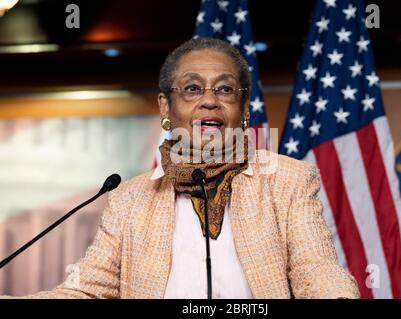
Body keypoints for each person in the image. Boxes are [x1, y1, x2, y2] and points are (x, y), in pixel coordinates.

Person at [2, 37, 359, 299]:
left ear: (244, 107)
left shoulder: (288, 181)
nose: (209, 100)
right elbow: (87, 291)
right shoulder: (129, 198)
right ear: (166, 107)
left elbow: (318, 271)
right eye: (191, 89)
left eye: (225, 90)